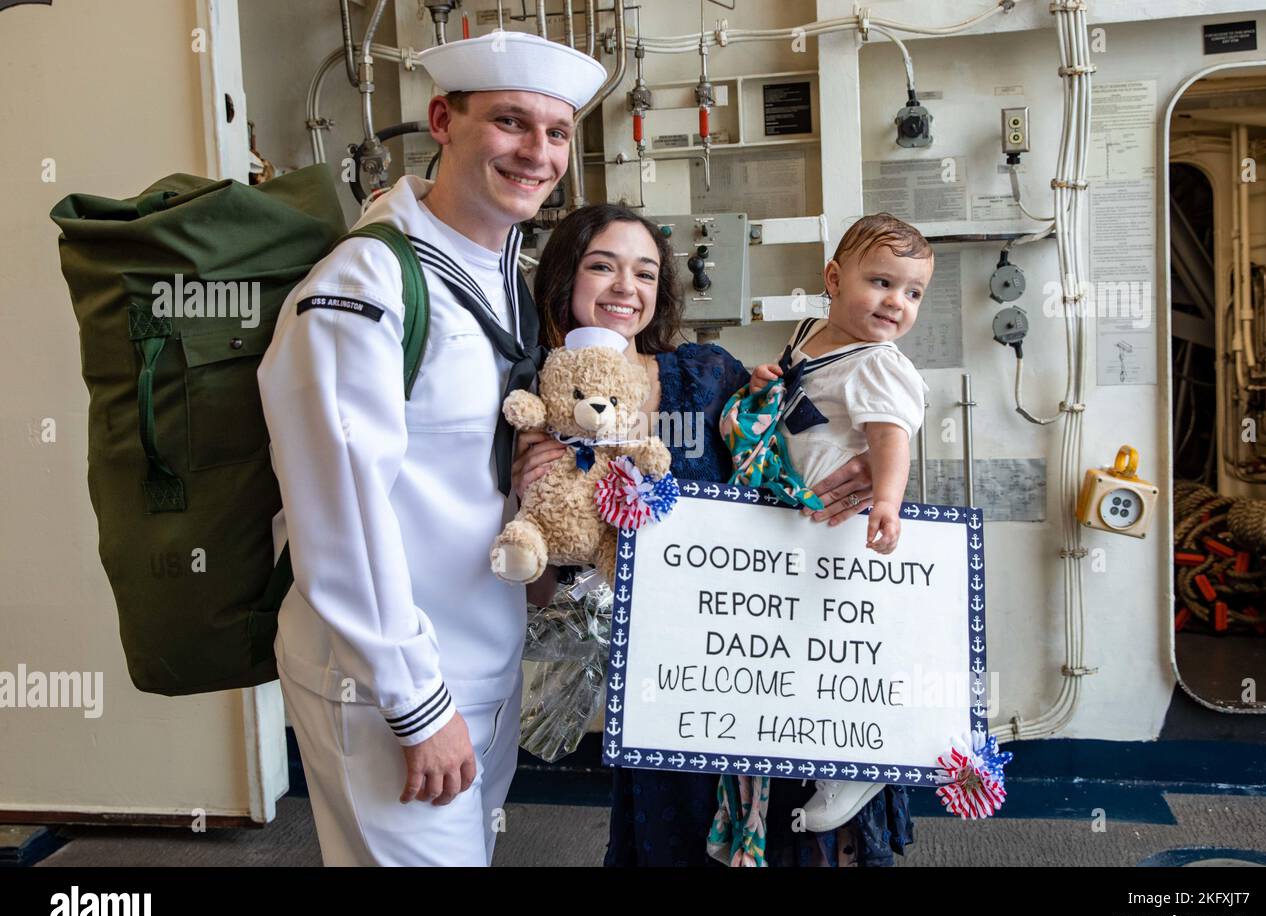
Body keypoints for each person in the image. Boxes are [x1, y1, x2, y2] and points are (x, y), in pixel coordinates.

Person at [255, 32, 605, 866]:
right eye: (512, 122)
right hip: (388, 679)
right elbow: (338, 513)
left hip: (482, 659)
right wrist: (414, 703)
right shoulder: (363, 285)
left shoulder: (501, 277)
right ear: (443, 120)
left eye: (557, 133)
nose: (538, 152)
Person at [523, 202, 893, 866]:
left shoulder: (706, 373)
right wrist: (530, 496)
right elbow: (539, 592)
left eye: (643, 272)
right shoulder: (541, 403)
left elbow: (793, 436)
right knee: (674, 841)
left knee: (781, 833)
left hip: (750, 650)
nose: (623, 288)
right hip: (657, 680)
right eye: (601, 266)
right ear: (563, 281)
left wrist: (857, 464)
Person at [743, 211, 933, 841]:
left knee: (842, 650)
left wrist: (886, 499)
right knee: (808, 646)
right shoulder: (808, 335)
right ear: (833, 277)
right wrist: (765, 380)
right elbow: (791, 398)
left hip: (842, 522)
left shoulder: (878, 363)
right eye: (881, 282)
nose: (896, 303)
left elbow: (890, 437)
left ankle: (858, 765)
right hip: (800, 514)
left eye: (912, 293)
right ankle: (810, 744)